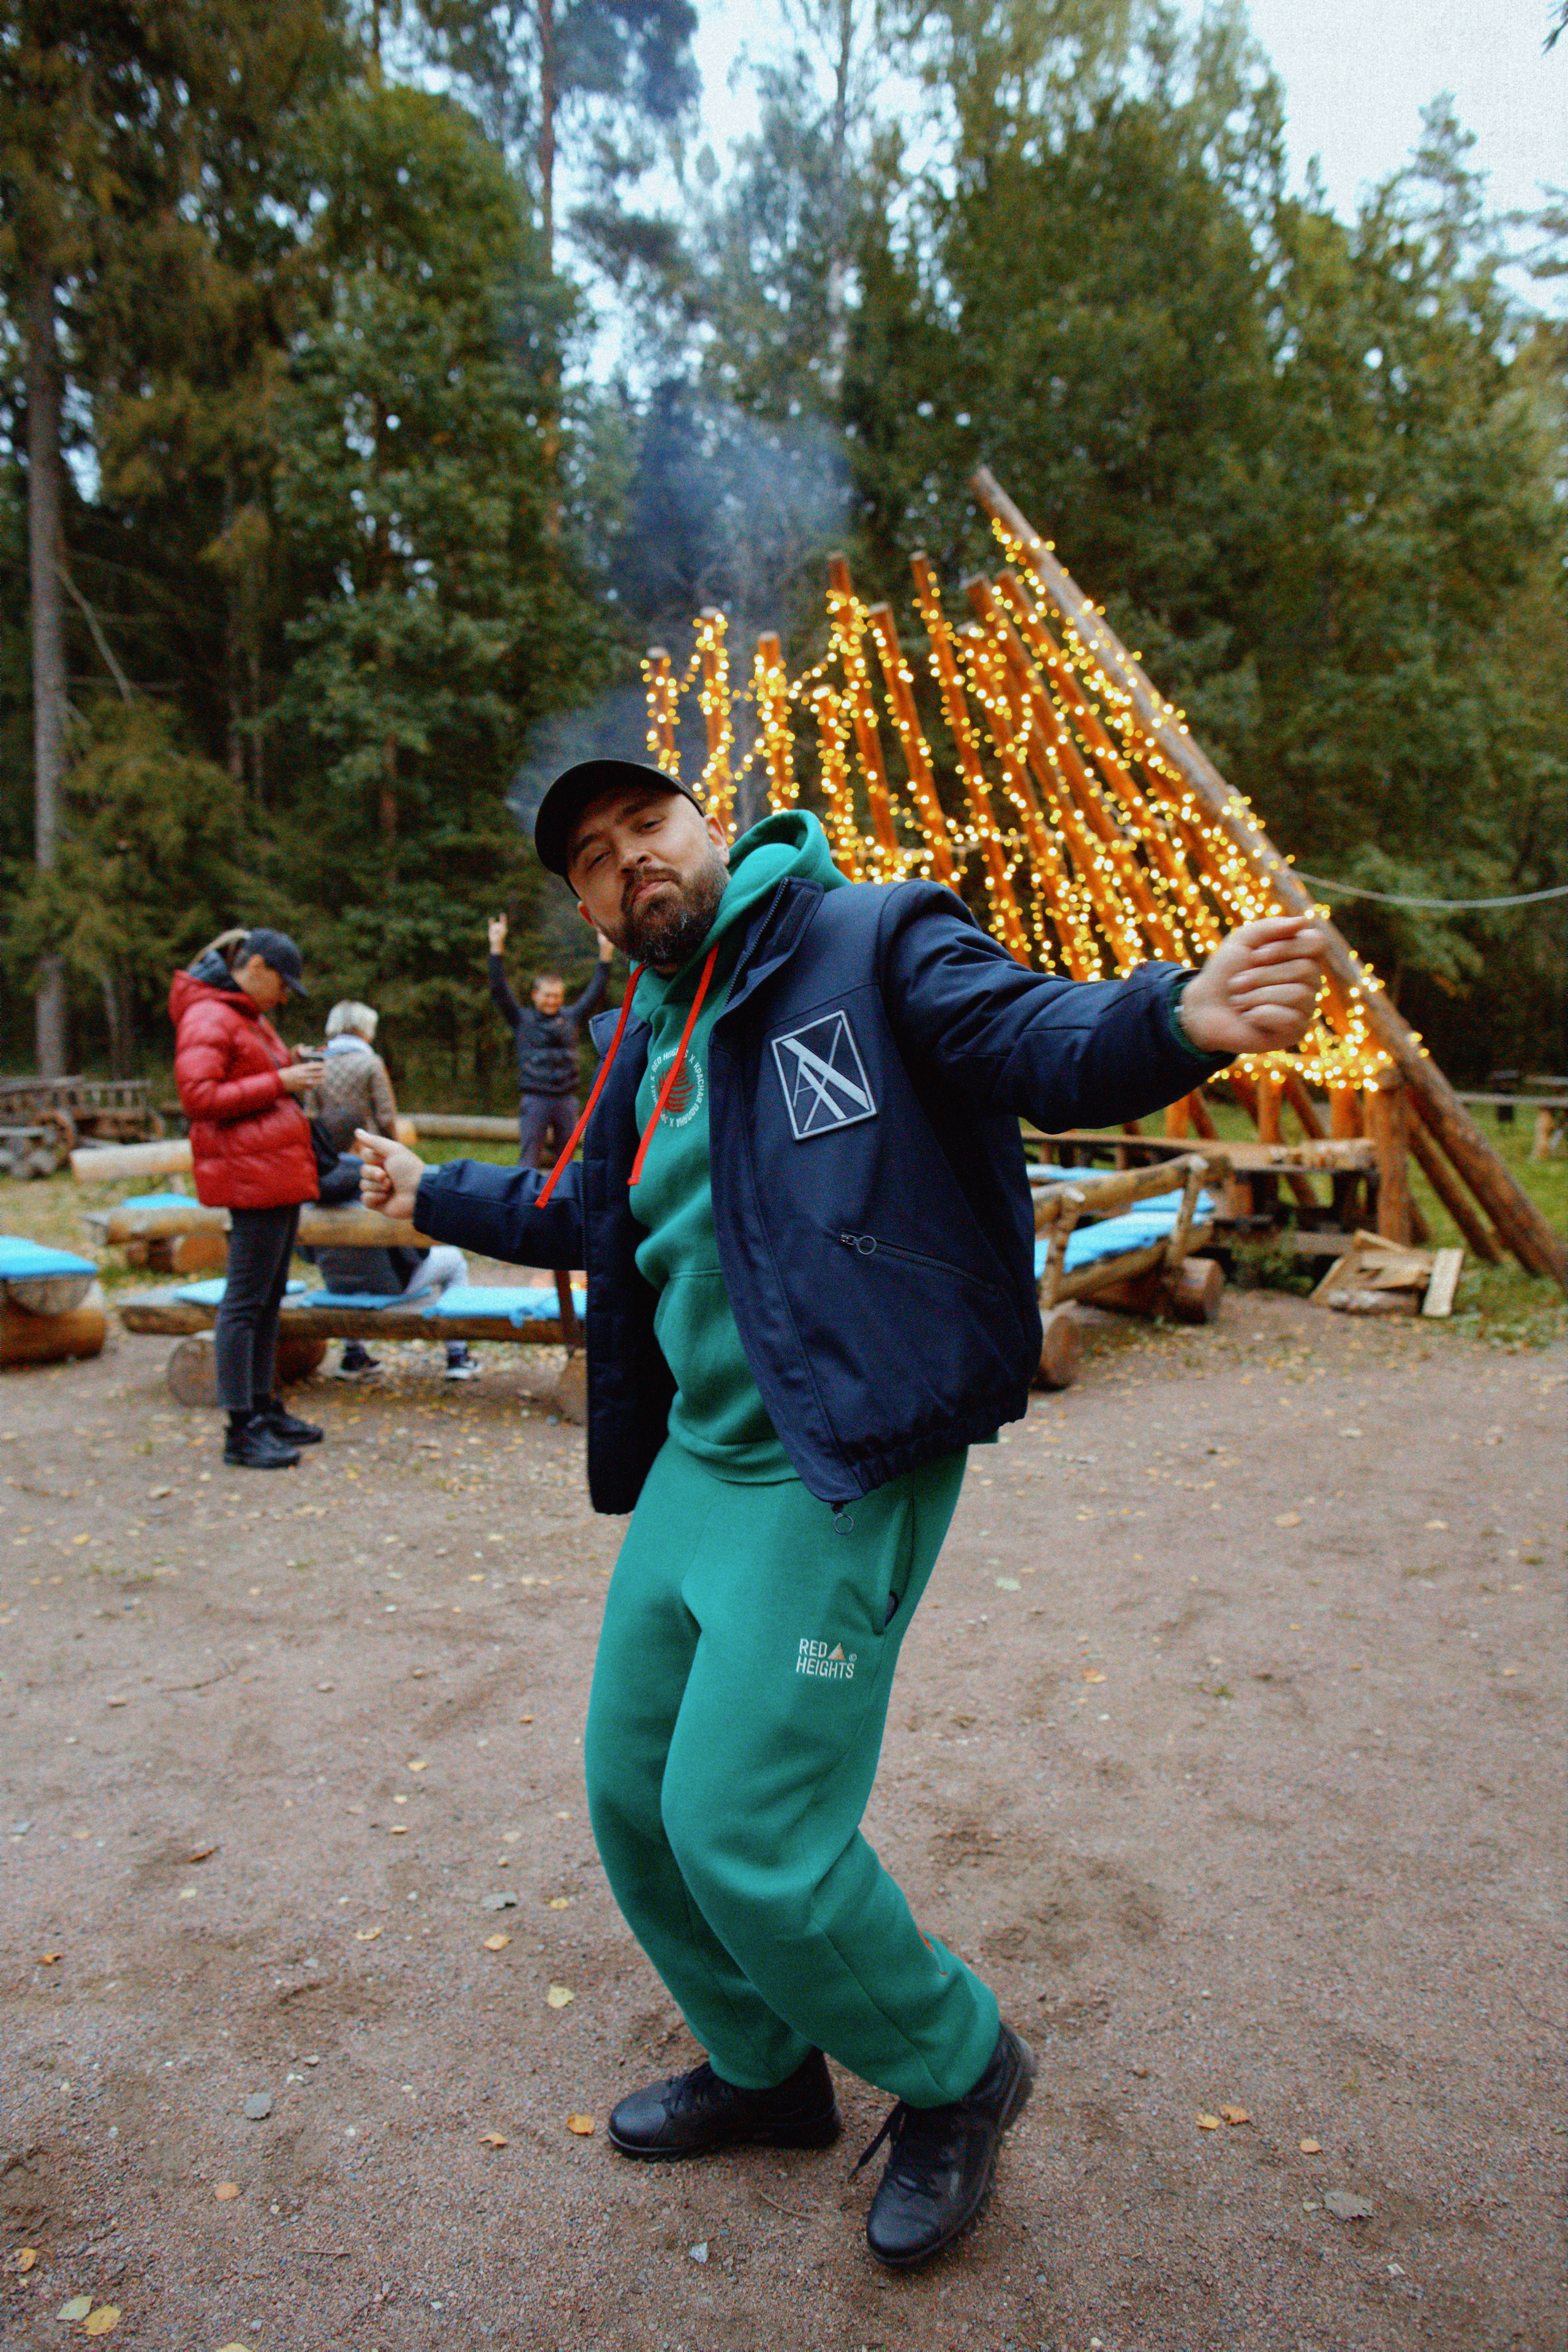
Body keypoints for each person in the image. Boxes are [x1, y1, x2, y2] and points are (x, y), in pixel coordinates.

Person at [357, 760, 1327, 2271]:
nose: (630, 868)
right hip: (696, 1461)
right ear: (588, 909)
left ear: (713, 824)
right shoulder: (640, 1035)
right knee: (632, 1799)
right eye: (595, 863)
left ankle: (959, 2067)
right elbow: (584, 1219)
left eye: (646, 830)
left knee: (741, 1822)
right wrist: (430, 1192)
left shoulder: (867, 941)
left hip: (833, 1455)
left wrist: (1168, 1019)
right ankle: (765, 2068)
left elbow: (1028, 1032)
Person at [171, 927, 325, 1470]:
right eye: (283, 984)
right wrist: (282, 1082)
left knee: (269, 1298)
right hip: (250, 1177)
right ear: (256, 966)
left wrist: (291, 1064)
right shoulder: (208, 1016)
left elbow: (254, 1075)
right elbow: (198, 1097)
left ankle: (264, 1406)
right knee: (244, 1304)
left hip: (275, 1173)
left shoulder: (246, 1016)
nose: (285, 997)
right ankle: (241, 1428)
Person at [305, 1001, 477, 1382]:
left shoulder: (317, 1063)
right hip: (369, 1168)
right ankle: (459, 1354)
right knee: (398, 1240)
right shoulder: (370, 1063)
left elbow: (311, 1114)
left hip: (329, 1165)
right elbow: (385, 1115)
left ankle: (354, 1353)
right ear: (364, 1030)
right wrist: (396, 1157)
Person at [488, 913, 614, 1166]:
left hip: (567, 1099)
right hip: (535, 1099)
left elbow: (596, 991)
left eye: (557, 996)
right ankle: (527, 1204)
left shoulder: (572, 1017)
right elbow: (499, 990)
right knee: (529, 1160)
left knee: (568, 1162)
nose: (552, 1000)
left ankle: (563, 1204)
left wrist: (606, 952)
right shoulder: (522, 1020)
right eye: (547, 995)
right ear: (535, 995)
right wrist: (496, 947)